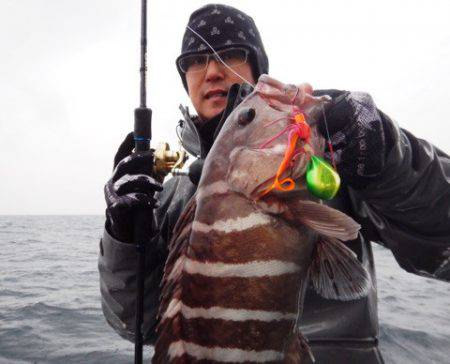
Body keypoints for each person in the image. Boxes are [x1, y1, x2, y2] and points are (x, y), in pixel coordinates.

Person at [99, 4, 450, 363]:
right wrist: (124, 239)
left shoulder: (342, 161)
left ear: (257, 68)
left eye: (231, 54)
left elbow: (443, 248)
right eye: (195, 60)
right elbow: (135, 326)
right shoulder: (172, 197)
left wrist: (391, 158)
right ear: (185, 77)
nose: (213, 72)